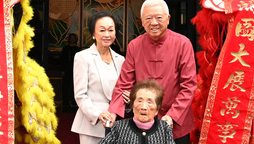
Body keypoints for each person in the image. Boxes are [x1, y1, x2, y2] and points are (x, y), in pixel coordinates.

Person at [107, 0, 197, 144]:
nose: (154, 23)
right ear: (142, 21)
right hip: (144, 121)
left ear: (168, 19)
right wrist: (113, 111)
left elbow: (189, 85)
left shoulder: (183, 43)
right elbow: (124, 83)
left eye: (159, 18)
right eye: (148, 18)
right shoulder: (135, 45)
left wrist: (172, 116)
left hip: (176, 121)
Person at [71, 12, 125, 144]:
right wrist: (98, 114)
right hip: (91, 124)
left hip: (115, 122)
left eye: (111, 30)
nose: (107, 34)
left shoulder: (120, 59)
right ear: (93, 34)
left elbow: (120, 91)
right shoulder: (83, 57)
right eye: (102, 30)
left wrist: (127, 100)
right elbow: (80, 95)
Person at [99, 79, 174, 144]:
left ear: (157, 110)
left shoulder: (164, 129)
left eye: (149, 102)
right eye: (140, 101)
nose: (143, 107)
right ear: (133, 105)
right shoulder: (119, 127)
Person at [60, 32, 80, 111]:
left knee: (74, 87)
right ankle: (65, 102)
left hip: (76, 71)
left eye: (73, 38)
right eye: (70, 38)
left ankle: (74, 102)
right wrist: (62, 70)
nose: (72, 39)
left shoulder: (78, 49)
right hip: (66, 70)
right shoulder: (65, 49)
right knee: (65, 86)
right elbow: (62, 60)